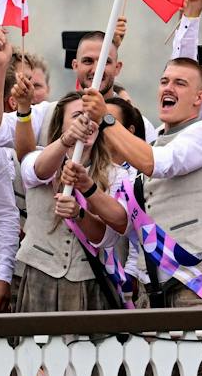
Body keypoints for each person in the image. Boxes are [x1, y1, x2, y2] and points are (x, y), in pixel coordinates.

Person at [81, 58, 202, 308]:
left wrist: (107, 119)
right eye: (164, 82)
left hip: (192, 290)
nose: (169, 88)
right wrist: (86, 187)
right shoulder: (151, 147)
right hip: (149, 292)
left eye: (180, 83)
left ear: (199, 97)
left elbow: (160, 164)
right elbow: (122, 222)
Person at [14, 92, 129, 313]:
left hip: (88, 278)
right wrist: (66, 140)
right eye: (77, 116)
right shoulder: (38, 157)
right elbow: (36, 171)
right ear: (61, 124)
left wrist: (80, 215)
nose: (86, 122)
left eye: (91, 117)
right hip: (41, 275)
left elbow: (108, 237)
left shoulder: (117, 175)